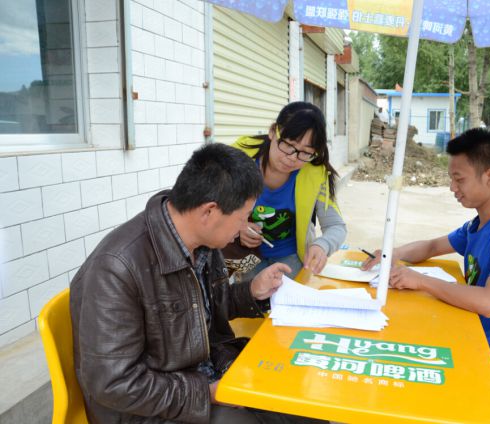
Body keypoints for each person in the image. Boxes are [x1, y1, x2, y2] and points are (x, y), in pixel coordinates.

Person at [70, 144, 323, 423]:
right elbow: (113, 384)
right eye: (241, 218)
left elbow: (202, 308)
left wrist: (252, 290)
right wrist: (208, 393)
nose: (245, 227)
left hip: (204, 373)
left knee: (306, 401)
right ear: (209, 212)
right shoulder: (117, 268)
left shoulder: (201, 241)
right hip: (150, 411)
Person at [362, 128, 490, 385]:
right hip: (470, 332)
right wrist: (392, 255)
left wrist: (421, 281)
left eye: (459, 179)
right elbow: (431, 247)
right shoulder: (478, 225)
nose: (452, 187)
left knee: (398, 365)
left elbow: (489, 302)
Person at [231, 101, 346, 281]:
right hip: (243, 255)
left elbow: (336, 226)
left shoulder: (315, 173)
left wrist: (322, 245)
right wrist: (237, 227)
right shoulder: (240, 155)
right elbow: (209, 205)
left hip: (291, 259)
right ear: (273, 131)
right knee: (248, 302)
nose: (292, 158)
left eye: (305, 152)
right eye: (288, 145)